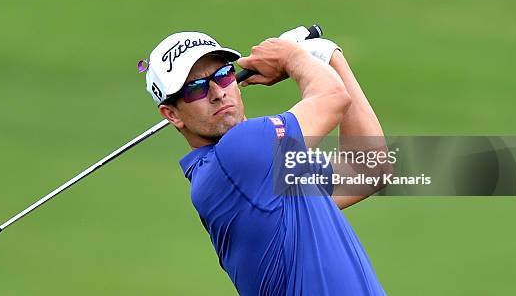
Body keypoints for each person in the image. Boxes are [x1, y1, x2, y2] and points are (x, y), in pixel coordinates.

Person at [141, 28, 389, 295]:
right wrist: (292, 57)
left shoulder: (255, 169)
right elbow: (332, 97)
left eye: (223, 75)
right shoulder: (237, 154)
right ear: (172, 114)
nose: (218, 92)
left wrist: (330, 58)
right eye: (196, 89)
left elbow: (368, 168)